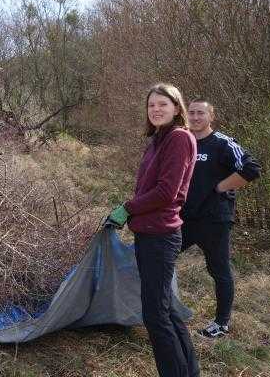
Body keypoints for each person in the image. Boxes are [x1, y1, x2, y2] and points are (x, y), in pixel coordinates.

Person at [108, 83, 200, 377]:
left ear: (176, 108)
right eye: (151, 105)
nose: (156, 109)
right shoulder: (159, 140)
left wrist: (128, 207)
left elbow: (166, 192)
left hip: (161, 237)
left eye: (163, 104)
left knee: (155, 315)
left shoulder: (178, 138)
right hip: (150, 234)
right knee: (167, 309)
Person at [181, 98, 261, 338]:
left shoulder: (223, 143)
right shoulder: (183, 141)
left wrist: (220, 187)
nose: (195, 117)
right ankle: (157, 309)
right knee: (158, 258)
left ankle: (221, 323)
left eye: (200, 113)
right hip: (184, 218)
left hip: (214, 220)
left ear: (211, 116)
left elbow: (251, 168)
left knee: (219, 270)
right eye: (191, 113)